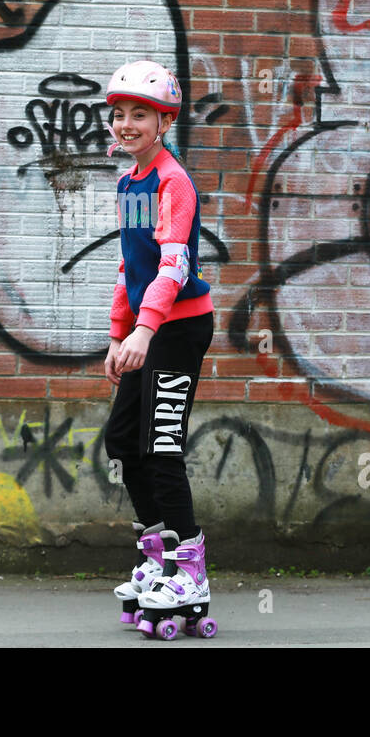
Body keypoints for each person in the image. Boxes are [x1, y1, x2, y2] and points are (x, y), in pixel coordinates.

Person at [102, 59, 217, 638]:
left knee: (161, 446)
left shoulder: (173, 181)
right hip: (147, 328)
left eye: (139, 115)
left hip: (179, 328)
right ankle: (158, 556)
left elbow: (174, 263)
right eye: (119, 114)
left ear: (163, 121)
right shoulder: (132, 183)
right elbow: (132, 265)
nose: (126, 124)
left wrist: (146, 331)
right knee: (122, 439)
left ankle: (190, 569)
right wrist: (119, 332)